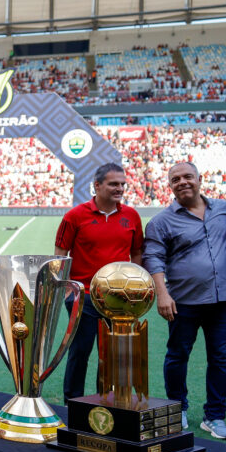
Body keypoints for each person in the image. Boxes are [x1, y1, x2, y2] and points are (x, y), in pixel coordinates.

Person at [143, 162, 226, 437]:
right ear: (169, 185)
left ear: (199, 179)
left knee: (221, 359)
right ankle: (177, 408)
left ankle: (215, 417)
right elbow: (153, 258)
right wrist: (162, 293)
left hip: (225, 300)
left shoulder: (224, 210)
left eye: (187, 177)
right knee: (177, 356)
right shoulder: (161, 221)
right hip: (183, 301)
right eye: (175, 179)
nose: (182, 182)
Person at [54, 162, 143, 401]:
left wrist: (135, 289)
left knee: (113, 355)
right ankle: (73, 402)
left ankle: (106, 400)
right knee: (80, 351)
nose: (120, 188)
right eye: (114, 184)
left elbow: (137, 254)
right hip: (83, 296)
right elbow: (60, 254)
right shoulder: (75, 216)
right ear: (97, 185)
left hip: (119, 299)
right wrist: (65, 291)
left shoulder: (132, 216)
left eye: (122, 184)